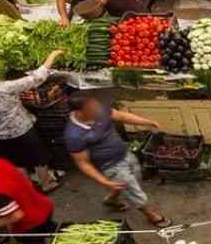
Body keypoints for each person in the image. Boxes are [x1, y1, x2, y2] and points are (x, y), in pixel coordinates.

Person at [0, 50, 65, 192]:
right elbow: (37, 78)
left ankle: (28, 188)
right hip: (23, 130)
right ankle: (47, 184)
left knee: (17, 163)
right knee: (39, 159)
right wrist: (53, 55)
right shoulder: (5, 87)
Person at [63, 94, 171, 227]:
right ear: (79, 112)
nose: (97, 108)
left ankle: (111, 199)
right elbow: (82, 163)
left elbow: (121, 116)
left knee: (132, 179)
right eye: (92, 107)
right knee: (134, 190)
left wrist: (147, 122)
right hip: (111, 166)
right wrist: (103, 181)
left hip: (125, 154)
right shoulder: (74, 135)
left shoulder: (99, 110)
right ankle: (153, 216)